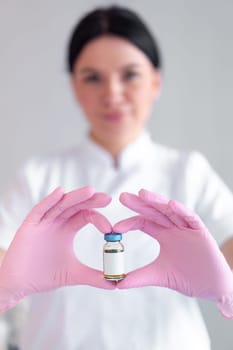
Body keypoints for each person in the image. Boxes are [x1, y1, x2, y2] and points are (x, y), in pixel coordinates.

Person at [0, 5, 233, 350]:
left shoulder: (189, 171)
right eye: (92, 77)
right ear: (75, 88)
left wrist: (223, 277)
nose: (112, 93)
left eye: (130, 75)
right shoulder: (39, 175)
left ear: (156, 81)